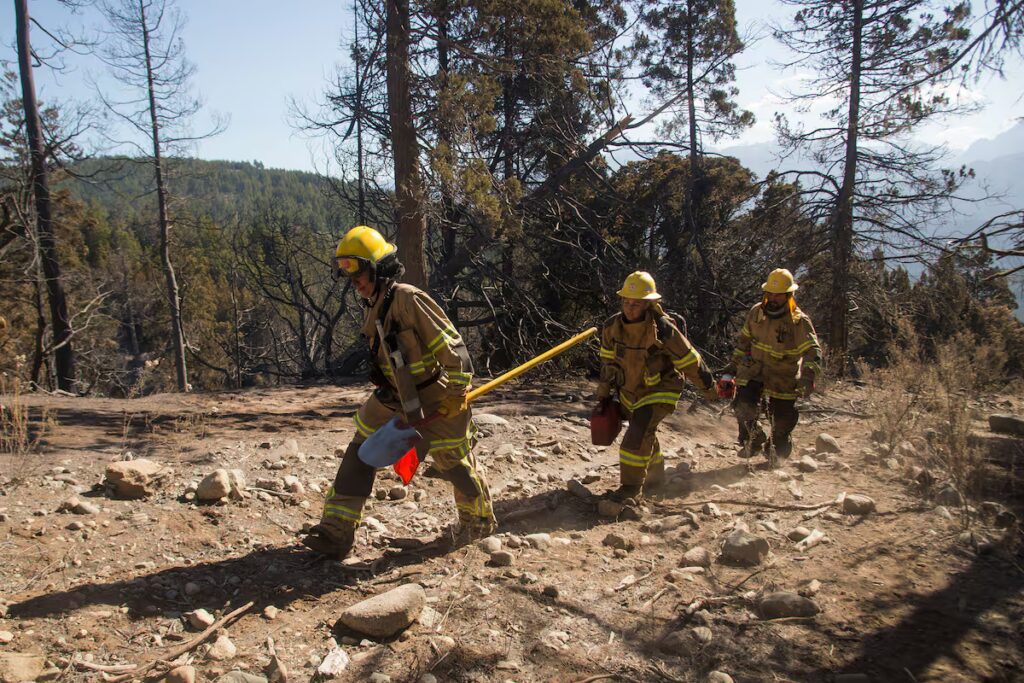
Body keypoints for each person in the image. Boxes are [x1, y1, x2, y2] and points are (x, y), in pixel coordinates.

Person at [301, 226, 495, 560]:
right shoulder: (373, 303)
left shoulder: (408, 299)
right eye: (348, 274)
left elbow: (454, 349)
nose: (354, 282)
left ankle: (477, 523)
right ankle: (336, 531)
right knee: (360, 450)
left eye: (358, 273)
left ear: (378, 268)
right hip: (395, 396)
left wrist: (457, 392)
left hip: (437, 396)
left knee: (453, 463)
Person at [596, 271, 719, 502]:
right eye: (626, 302)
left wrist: (708, 387)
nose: (630, 308)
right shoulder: (612, 326)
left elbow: (689, 360)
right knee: (645, 432)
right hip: (630, 390)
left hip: (661, 389)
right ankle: (655, 481)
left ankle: (630, 490)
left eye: (636, 304)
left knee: (636, 434)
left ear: (648, 304)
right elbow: (607, 362)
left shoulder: (662, 329)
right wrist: (604, 392)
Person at [727, 268, 822, 460]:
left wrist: (808, 378)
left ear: (789, 295)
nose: (773, 298)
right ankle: (753, 440)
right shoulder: (756, 312)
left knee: (782, 420)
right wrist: (731, 369)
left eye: (778, 295)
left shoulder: (798, 321)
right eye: (770, 293)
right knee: (743, 405)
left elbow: (813, 351)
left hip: (783, 375)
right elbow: (743, 343)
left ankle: (777, 450)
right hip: (754, 371)